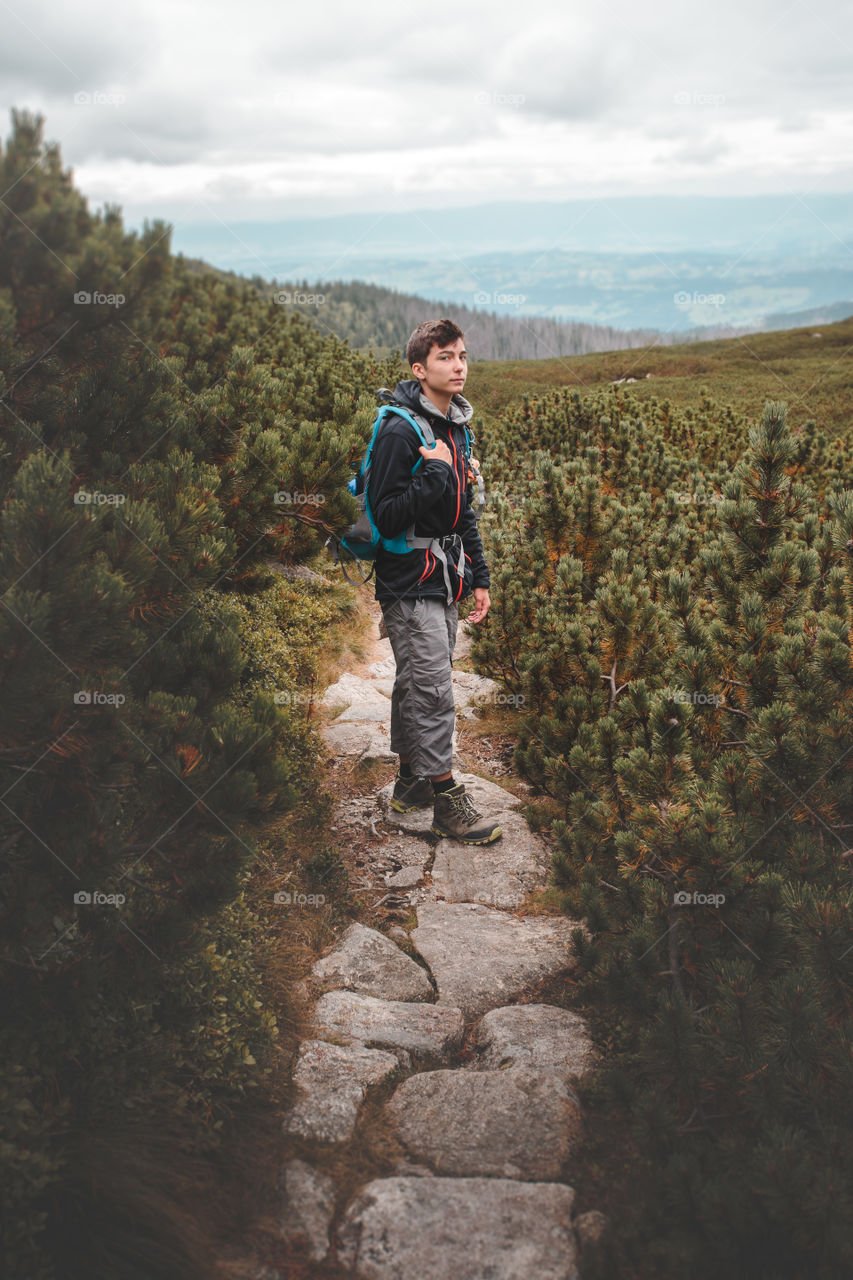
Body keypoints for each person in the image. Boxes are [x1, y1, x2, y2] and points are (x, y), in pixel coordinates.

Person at [368, 318, 502, 844]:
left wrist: (481, 576)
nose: (459, 366)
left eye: (463, 356)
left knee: (415, 683)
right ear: (419, 369)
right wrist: (432, 477)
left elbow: (462, 509)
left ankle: (410, 783)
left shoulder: (455, 427)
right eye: (446, 357)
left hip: (446, 580)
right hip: (407, 581)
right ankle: (447, 801)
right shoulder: (401, 430)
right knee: (434, 690)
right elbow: (386, 517)